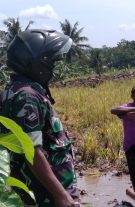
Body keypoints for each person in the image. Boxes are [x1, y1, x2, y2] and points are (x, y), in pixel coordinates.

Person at [1, 29, 79, 206]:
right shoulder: (26, 97)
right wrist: (61, 196)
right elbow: (32, 153)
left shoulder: (13, 91)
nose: (52, 66)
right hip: (48, 195)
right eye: (50, 61)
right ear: (37, 63)